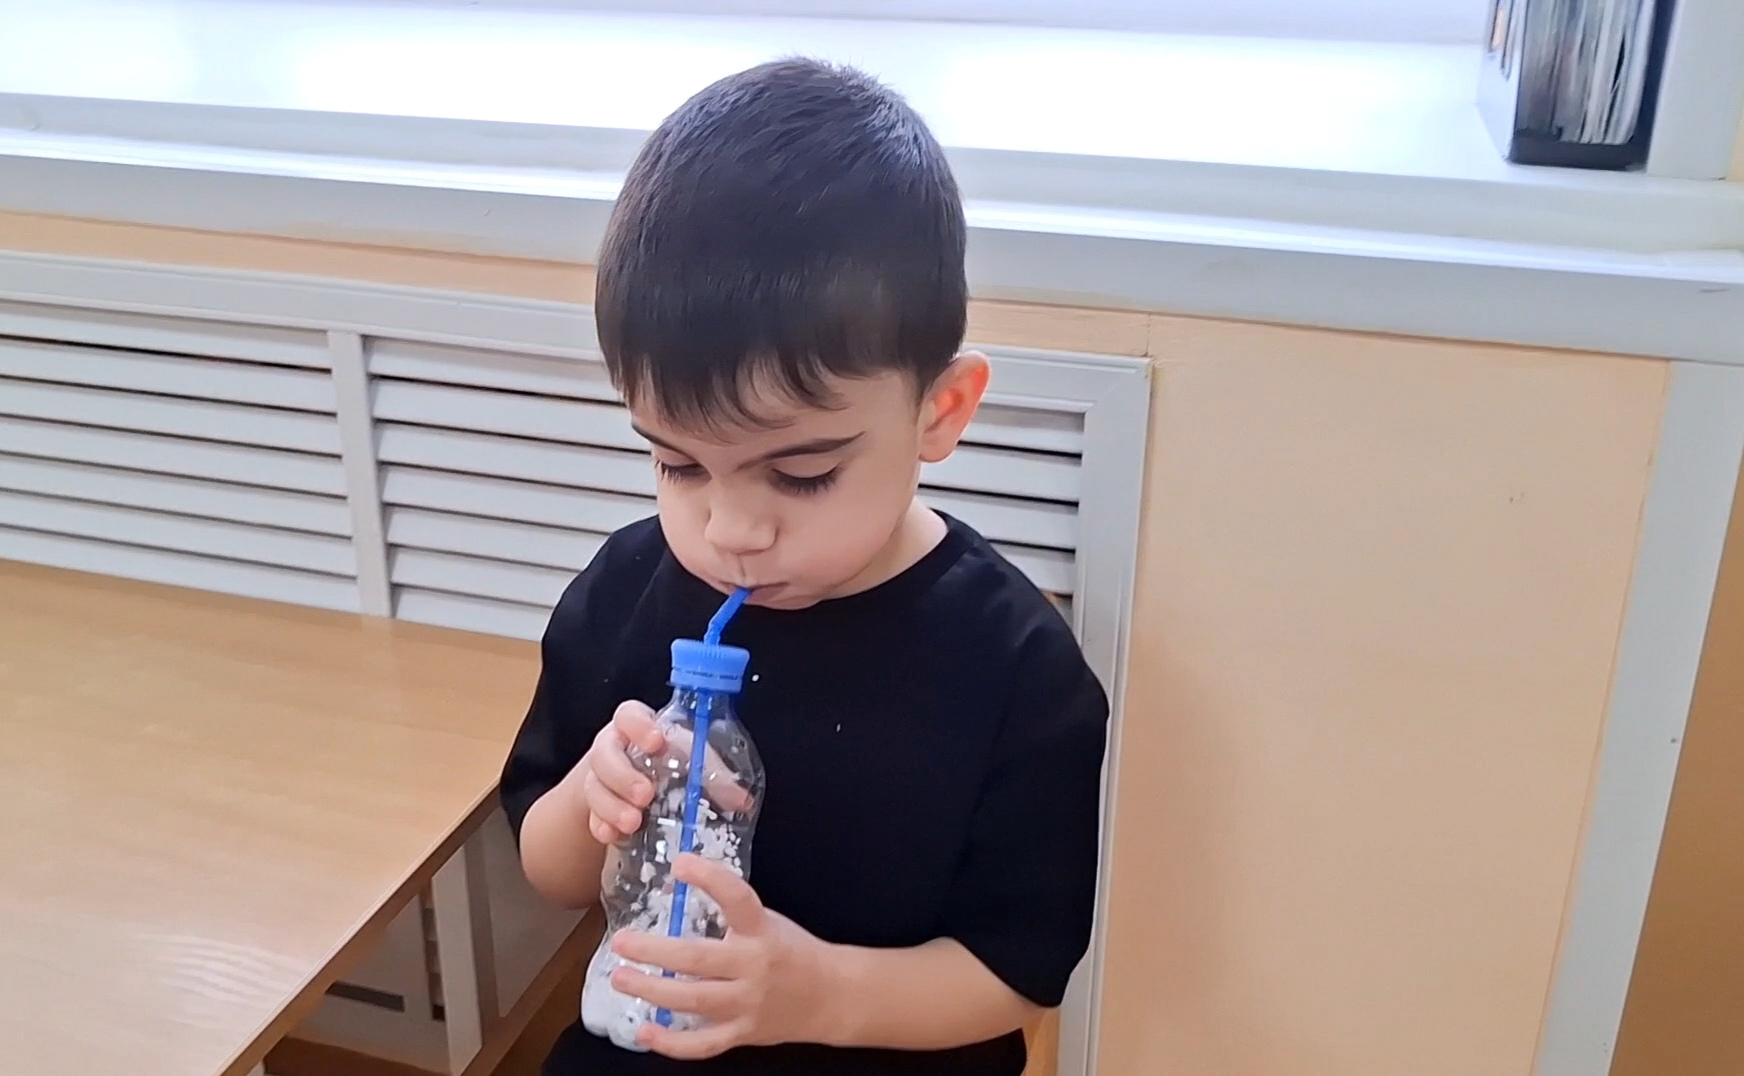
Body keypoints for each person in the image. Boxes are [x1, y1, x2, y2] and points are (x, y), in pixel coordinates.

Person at [501, 57, 1109, 1076]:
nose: (730, 529)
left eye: (801, 473)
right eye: (678, 463)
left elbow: (1015, 971)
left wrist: (814, 993)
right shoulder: (627, 590)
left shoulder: (1016, 669)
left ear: (940, 411)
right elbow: (549, 869)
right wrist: (591, 801)